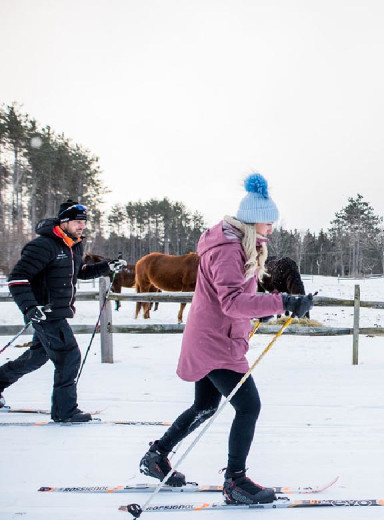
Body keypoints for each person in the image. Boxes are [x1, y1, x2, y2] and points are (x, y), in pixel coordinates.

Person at [138, 173, 314, 505]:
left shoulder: (237, 244)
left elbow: (233, 299)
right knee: (249, 406)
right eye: (268, 223)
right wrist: (283, 301)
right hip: (214, 342)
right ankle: (235, 482)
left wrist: (259, 311)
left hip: (214, 336)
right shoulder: (228, 250)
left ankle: (156, 456)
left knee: (204, 406)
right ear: (253, 222)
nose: (271, 229)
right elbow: (231, 301)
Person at [0, 200, 127, 422]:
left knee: (36, 357)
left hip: (56, 310)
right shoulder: (43, 246)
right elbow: (17, 279)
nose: (82, 226)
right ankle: (64, 411)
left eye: (84, 222)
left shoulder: (74, 245)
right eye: (78, 222)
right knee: (69, 356)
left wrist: (107, 267)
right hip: (45, 312)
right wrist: (30, 308)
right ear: (64, 222)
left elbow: (80, 272)